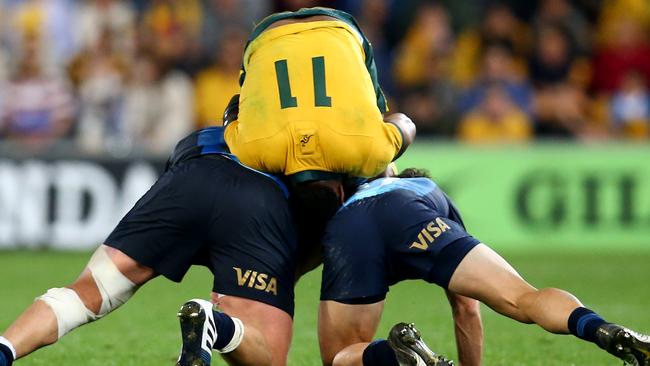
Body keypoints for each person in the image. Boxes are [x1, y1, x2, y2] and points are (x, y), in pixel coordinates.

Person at [0, 127, 297, 366]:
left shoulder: (206, 134)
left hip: (191, 174)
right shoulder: (299, 145)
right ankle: (217, 326)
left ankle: (4, 350)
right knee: (267, 354)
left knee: (89, 292)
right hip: (258, 196)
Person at [318, 169, 650, 366]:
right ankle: (604, 330)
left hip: (350, 226)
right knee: (523, 298)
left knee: (342, 356)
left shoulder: (350, 198)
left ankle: (394, 355)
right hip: (414, 216)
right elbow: (466, 309)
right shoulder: (423, 188)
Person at [223, 7, 416, 183]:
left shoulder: (370, 151)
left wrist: (384, 155)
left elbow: (405, 122)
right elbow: (234, 109)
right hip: (266, 36)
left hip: (341, 30)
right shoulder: (249, 153)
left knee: (379, 156)